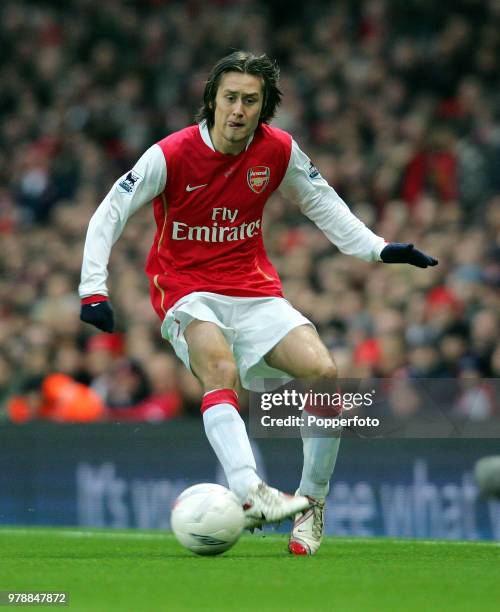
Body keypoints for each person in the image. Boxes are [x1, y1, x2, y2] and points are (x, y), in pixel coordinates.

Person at [79, 51, 437, 555]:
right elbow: (109, 213)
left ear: (264, 106)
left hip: (252, 289)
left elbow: (325, 205)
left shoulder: (278, 151)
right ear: (212, 100)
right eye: (230, 98)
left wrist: (378, 249)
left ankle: (311, 507)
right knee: (219, 366)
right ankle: (250, 491)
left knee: (324, 372)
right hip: (188, 290)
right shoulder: (172, 154)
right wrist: (92, 289)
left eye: (251, 100)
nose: (239, 110)